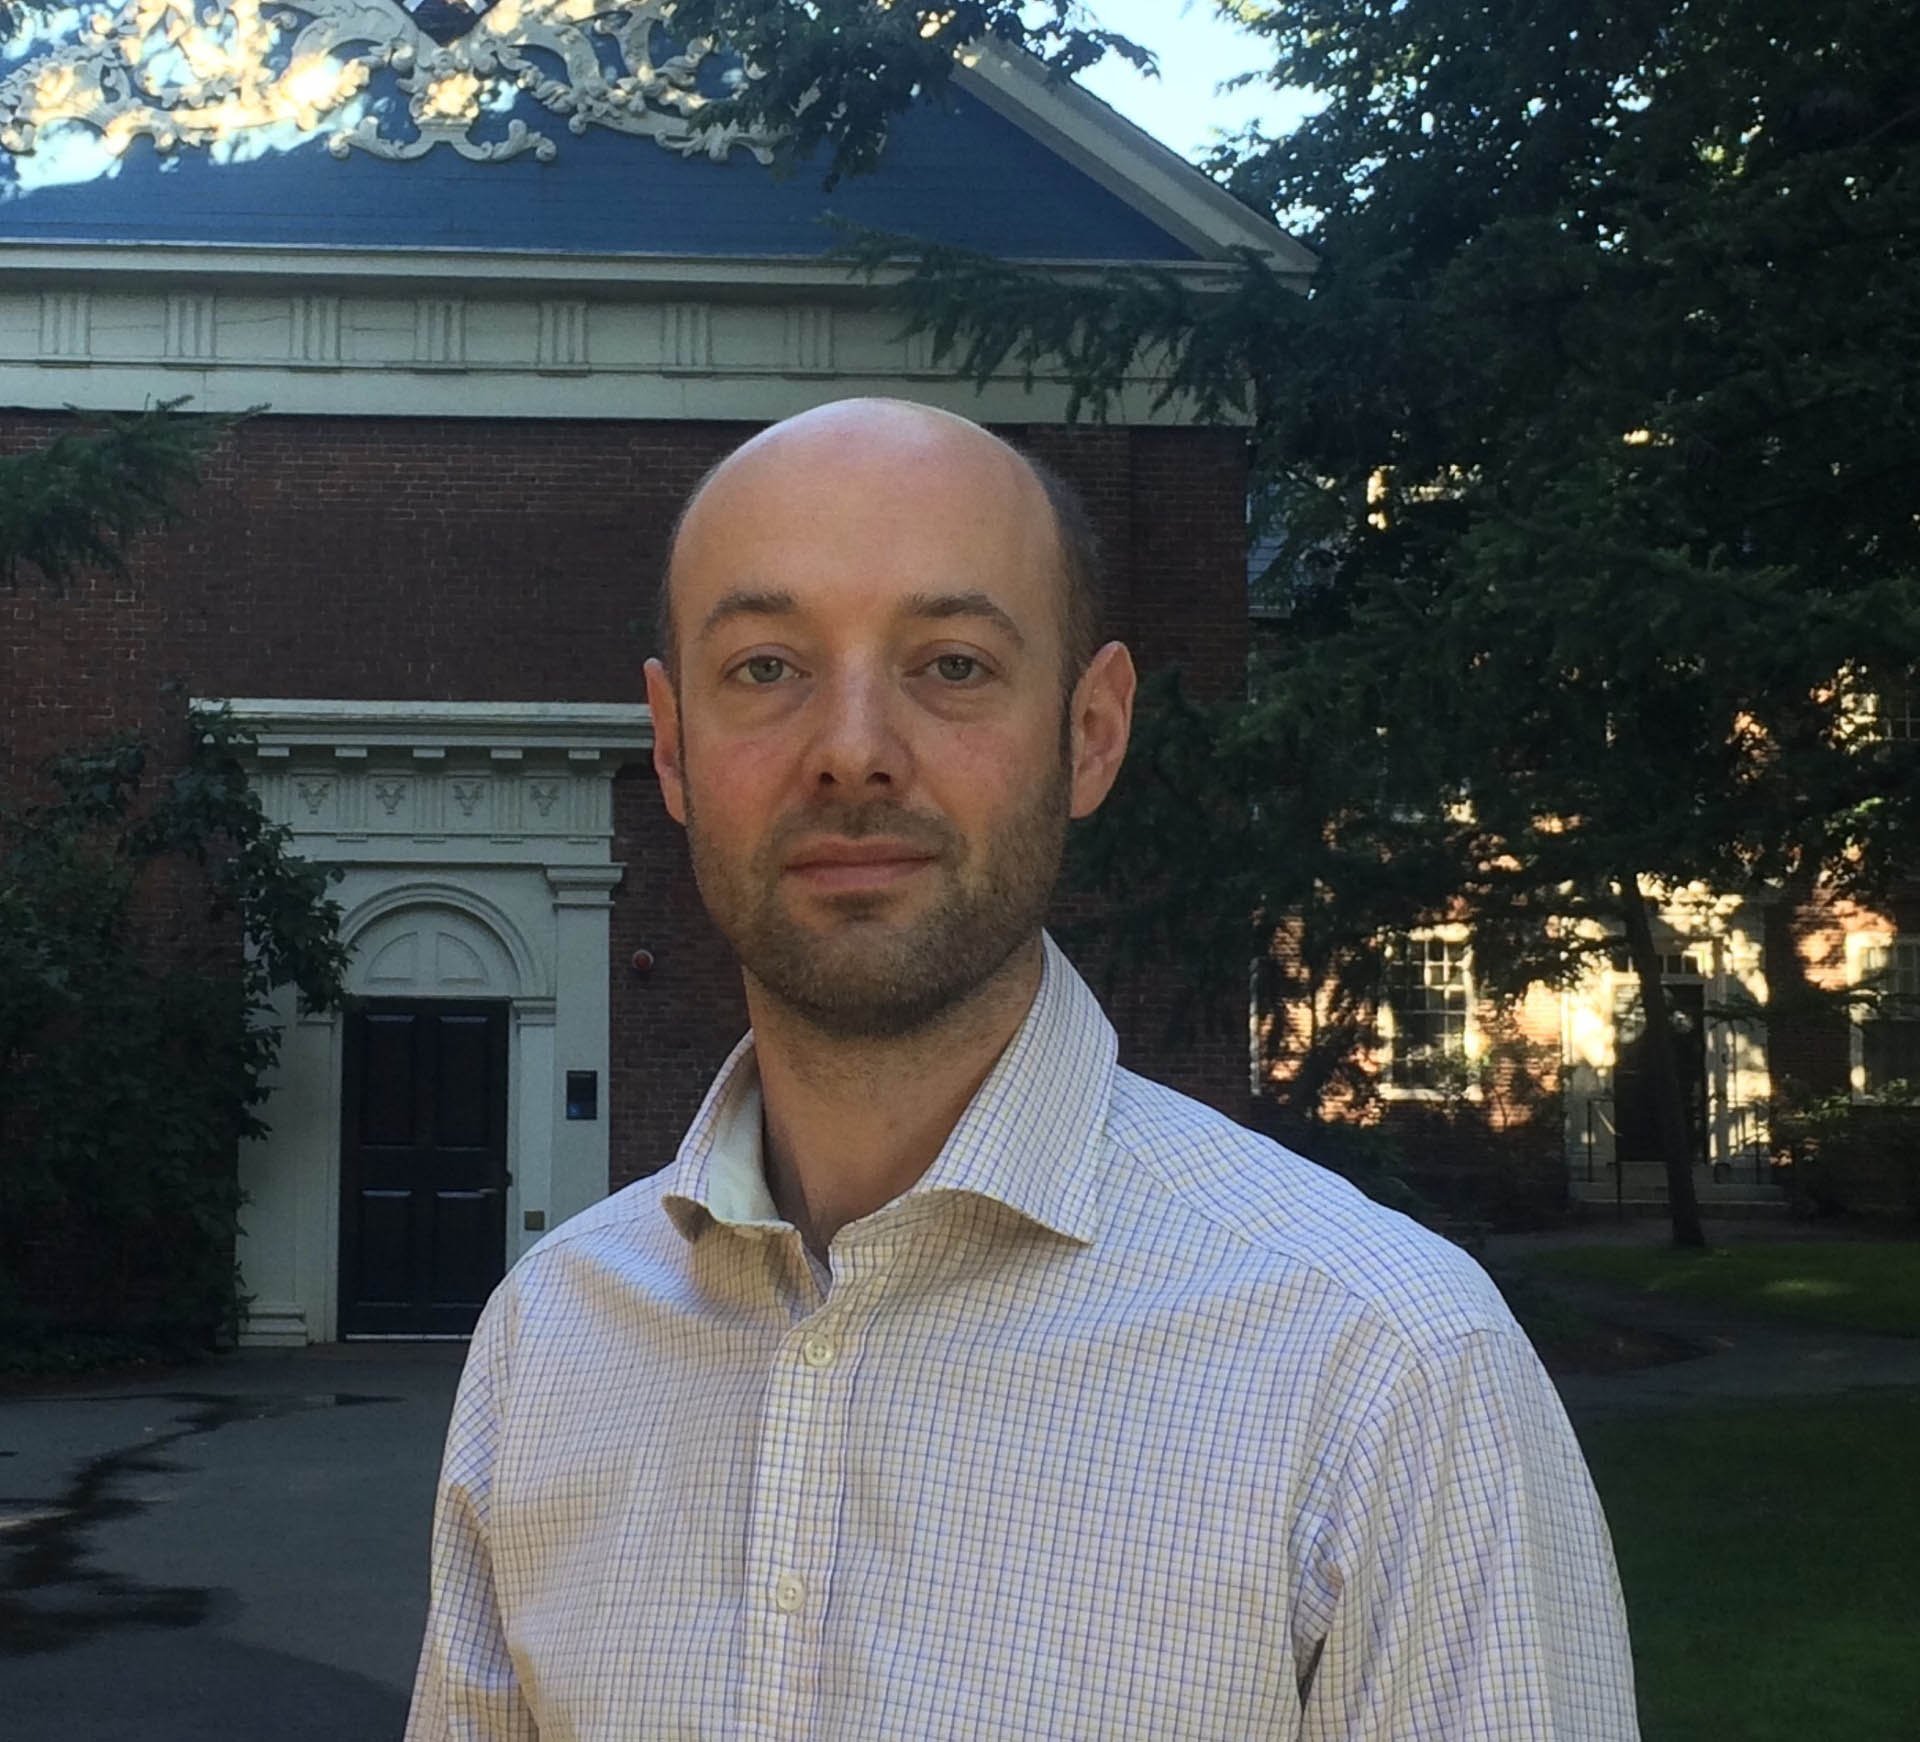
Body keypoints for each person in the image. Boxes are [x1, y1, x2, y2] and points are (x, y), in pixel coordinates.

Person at [405, 397, 1638, 1740]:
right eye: (765, 667)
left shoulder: (1386, 1370)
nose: (853, 750)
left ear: (1091, 730)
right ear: (671, 744)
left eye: (953, 664)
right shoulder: (547, 1344)